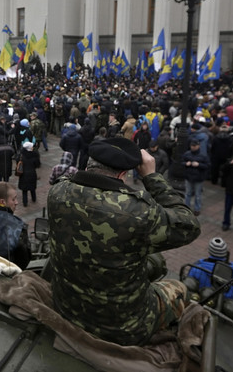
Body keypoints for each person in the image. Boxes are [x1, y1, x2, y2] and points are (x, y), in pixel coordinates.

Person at [47, 137, 201, 346]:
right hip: (125, 327)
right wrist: (152, 176)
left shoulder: (57, 192)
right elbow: (189, 225)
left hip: (67, 307)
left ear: (89, 164)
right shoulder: (138, 212)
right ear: (122, 174)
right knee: (178, 288)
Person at [185, 237, 233, 309]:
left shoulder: (196, 268)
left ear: (209, 251)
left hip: (198, 305)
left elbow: (188, 287)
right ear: (225, 252)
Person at [182, 138, 210, 216]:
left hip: (198, 178)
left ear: (198, 146)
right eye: (192, 146)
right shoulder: (187, 154)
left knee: (198, 194)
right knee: (188, 193)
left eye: (194, 146)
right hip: (188, 177)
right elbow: (182, 162)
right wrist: (185, 163)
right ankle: (186, 207)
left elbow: (207, 166)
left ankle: (197, 209)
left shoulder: (203, 155)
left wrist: (199, 165)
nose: (193, 147)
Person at [17, 141, 40, 206]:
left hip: (23, 174)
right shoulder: (35, 155)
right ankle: (34, 198)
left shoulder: (21, 156)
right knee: (32, 188)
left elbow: (17, 162)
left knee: (24, 190)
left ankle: (25, 202)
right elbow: (37, 165)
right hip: (32, 173)